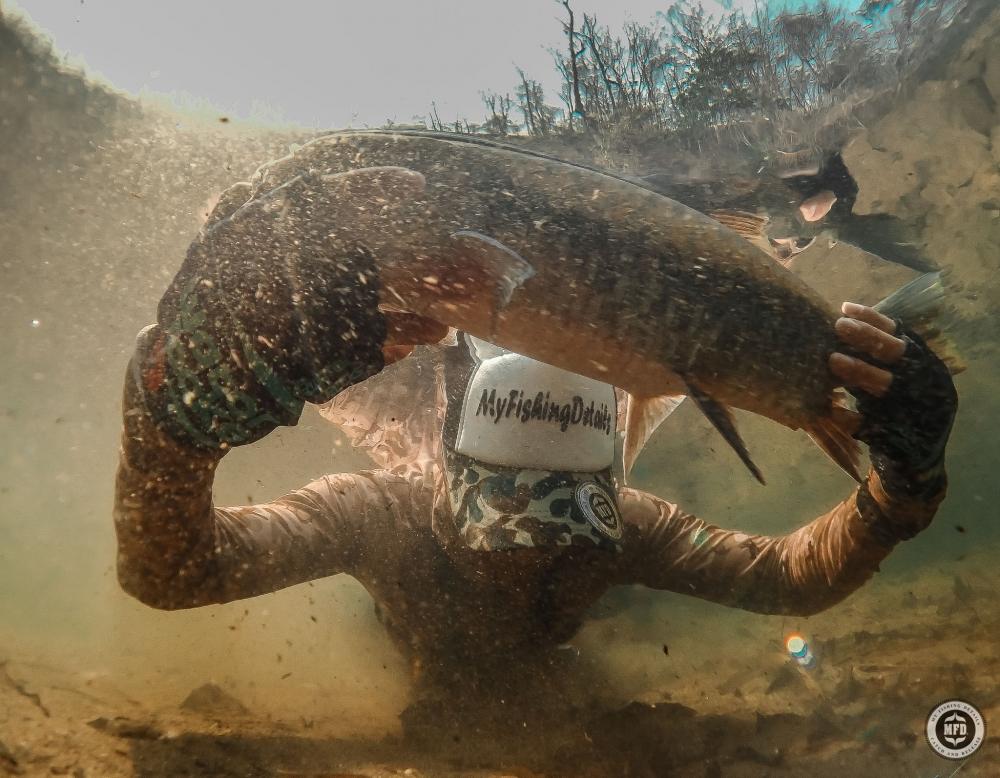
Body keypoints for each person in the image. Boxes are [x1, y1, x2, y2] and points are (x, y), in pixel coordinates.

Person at [114, 164, 957, 737]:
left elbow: (786, 578)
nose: (530, 551)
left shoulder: (622, 526)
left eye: (559, 520)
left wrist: (905, 480)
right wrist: (168, 425)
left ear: (606, 484)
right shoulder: (381, 515)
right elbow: (174, 574)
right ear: (445, 477)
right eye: (512, 516)